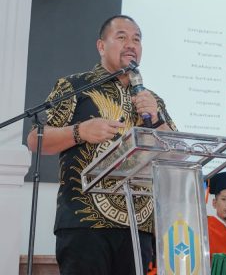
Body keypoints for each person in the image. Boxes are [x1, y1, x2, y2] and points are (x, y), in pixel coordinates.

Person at [26, 15, 176, 275]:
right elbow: (35, 139)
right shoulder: (75, 87)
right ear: (101, 46)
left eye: (137, 39)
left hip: (138, 228)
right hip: (85, 224)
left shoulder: (152, 100)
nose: (131, 44)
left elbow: (176, 155)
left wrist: (157, 119)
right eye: (122, 37)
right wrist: (80, 131)